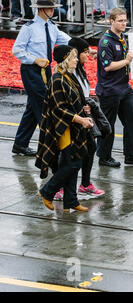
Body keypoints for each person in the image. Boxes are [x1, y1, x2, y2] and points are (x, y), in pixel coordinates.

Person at [35, 45, 95, 212]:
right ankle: (47, 191)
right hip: (63, 129)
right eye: (73, 57)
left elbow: (74, 101)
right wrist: (80, 119)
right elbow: (59, 109)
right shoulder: (57, 79)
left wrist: (84, 110)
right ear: (65, 59)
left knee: (73, 161)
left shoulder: (67, 77)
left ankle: (71, 201)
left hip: (72, 127)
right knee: (73, 164)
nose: (77, 59)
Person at [11, 0, 71, 157]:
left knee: (33, 108)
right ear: (42, 9)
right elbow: (17, 50)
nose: (53, 11)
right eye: (51, 8)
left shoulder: (51, 26)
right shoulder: (28, 28)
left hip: (46, 70)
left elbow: (66, 40)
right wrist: (34, 60)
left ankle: (20, 144)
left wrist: (83, 48)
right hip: (32, 71)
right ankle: (50, 147)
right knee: (45, 107)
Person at [52, 37, 109, 201]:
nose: (85, 55)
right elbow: (62, 101)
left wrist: (88, 106)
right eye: (83, 52)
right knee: (68, 153)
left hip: (83, 115)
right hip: (72, 118)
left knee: (90, 148)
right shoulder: (65, 74)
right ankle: (59, 187)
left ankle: (85, 184)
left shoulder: (79, 69)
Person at [95, 7, 133, 168]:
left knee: (132, 120)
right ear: (111, 21)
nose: (123, 23)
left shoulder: (124, 38)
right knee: (108, 124)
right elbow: (108, 66)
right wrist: (127, 61)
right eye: (120, 21)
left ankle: (132, 154)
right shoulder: (106, 41)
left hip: (124, 86)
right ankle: (104, 156)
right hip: (109, 89)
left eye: (125, 20)